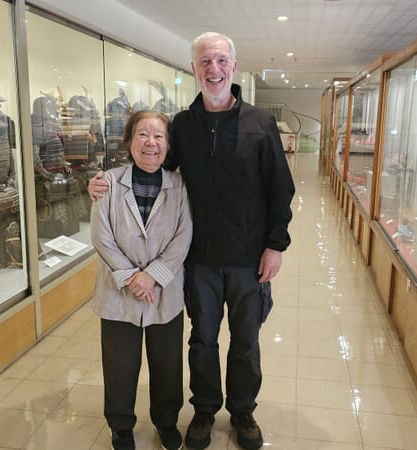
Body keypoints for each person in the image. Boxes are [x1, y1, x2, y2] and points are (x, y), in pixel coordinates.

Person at [90, 32, 295, 450]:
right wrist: (104, 182)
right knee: (202, 340)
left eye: (220, 60)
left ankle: (242, 411)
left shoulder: (260, 123)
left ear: (233, 67)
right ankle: (203, 411)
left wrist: (276, 245)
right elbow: (155, 166)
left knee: (246, 341)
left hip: (248, 259)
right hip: (197, 261)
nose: (213, 69)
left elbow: (281, 189)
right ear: (194, 69)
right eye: (205, 62)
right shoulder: (182, 125)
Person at [90, 111, 192, 450]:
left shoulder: (179, 186)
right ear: (130, 142)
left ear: (168, 144)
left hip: (164, 291)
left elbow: (183, 236)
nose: (151, 143)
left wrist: (153, 277)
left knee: (167, 362)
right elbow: (101, 237)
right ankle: (120, 425)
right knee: (120, 364)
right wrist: (133, 278)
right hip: (119, 292)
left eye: (159, 136)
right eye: (143, 135)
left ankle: (165, 421)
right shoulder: (108, 182)